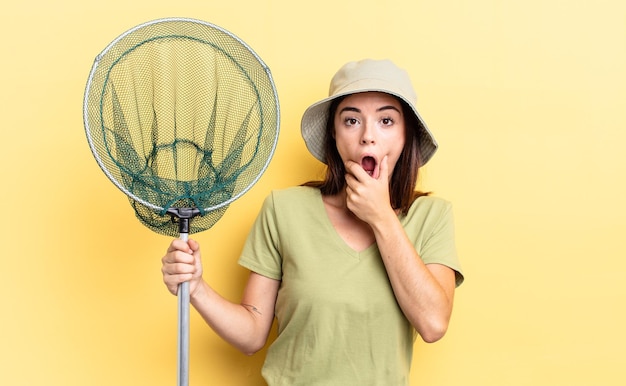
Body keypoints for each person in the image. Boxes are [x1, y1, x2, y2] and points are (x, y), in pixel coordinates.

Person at [161, 59, 464, 385]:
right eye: (351, 120)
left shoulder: (431, 216)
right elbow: (251, 335)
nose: (367, 137)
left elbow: (433, 323)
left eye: (386, 120)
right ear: (334, 134)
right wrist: (196, 289)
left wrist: (381, 217)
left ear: (407, 136)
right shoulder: (284, 209)